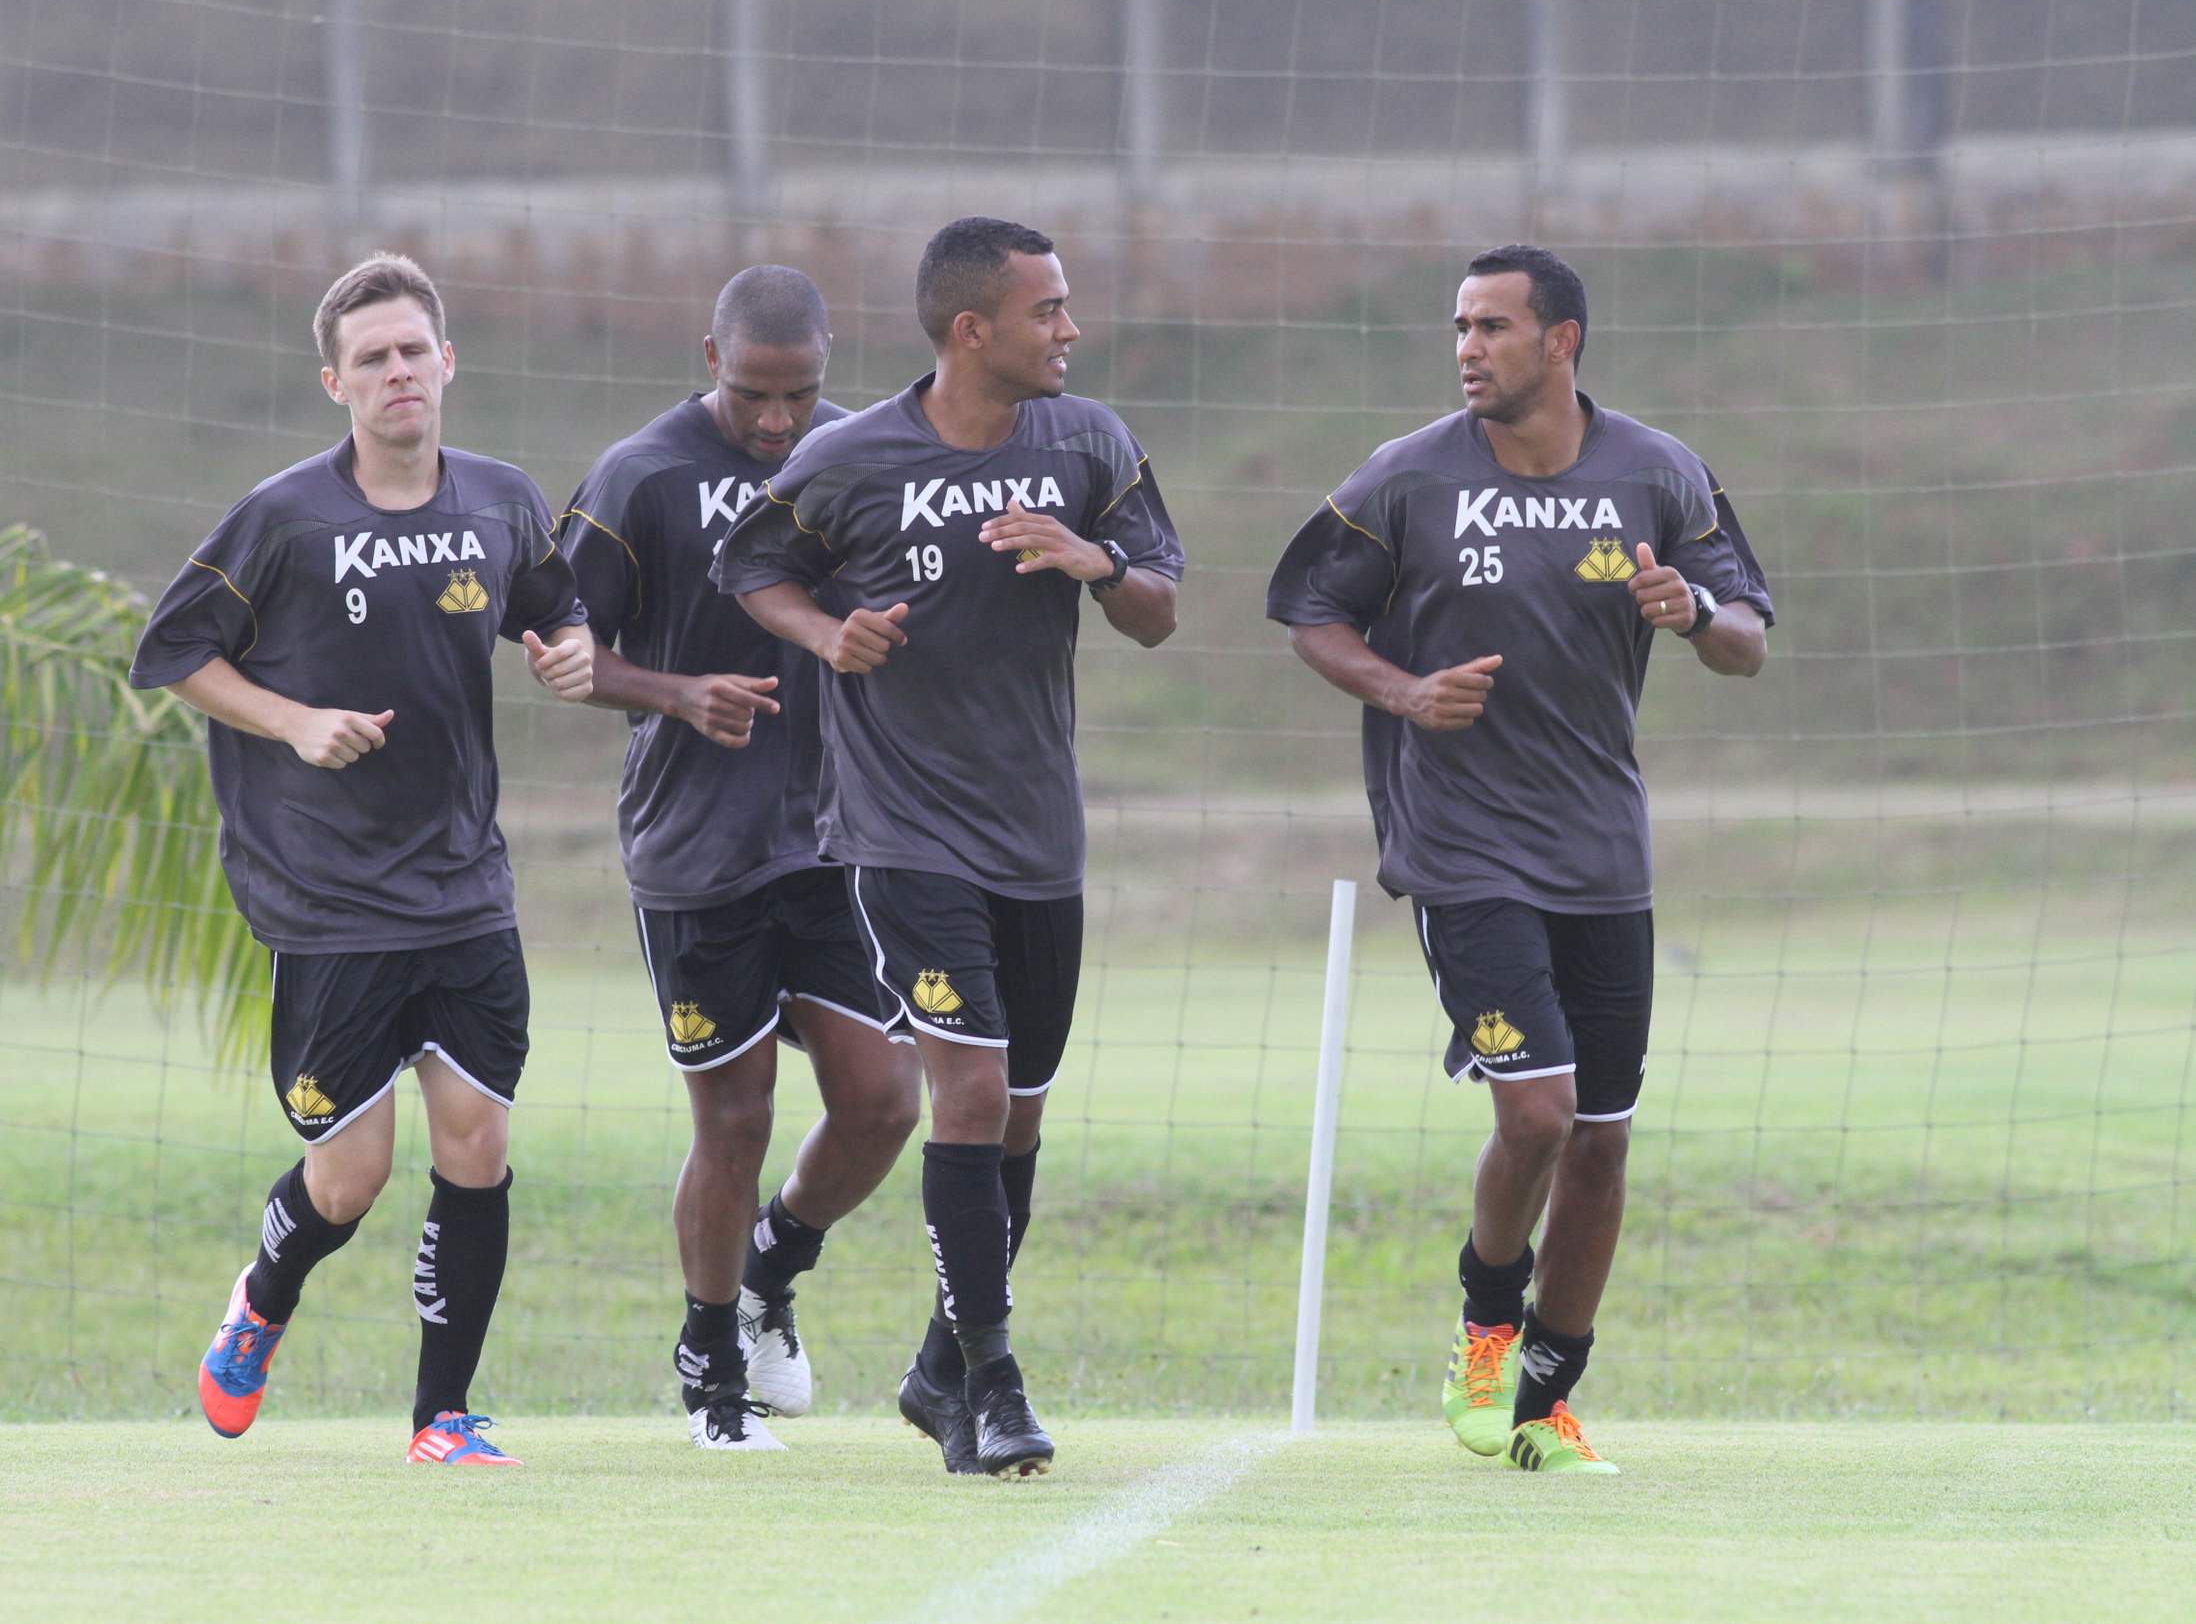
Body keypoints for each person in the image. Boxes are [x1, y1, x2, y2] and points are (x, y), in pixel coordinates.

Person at [1264, 244, 1770, 1475]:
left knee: (1601, 1135)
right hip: (1462, 845)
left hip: (1602, 852)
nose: (1467, 348)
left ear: (1562, 340)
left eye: (1491, 326)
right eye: (1459, 326)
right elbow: (1310, 613)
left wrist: (1694, 614)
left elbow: (1745, 635)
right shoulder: (1406, 475)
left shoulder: (1657, 471)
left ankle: (1546, 1399)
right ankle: (1487, 1327)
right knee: (1536, 1111)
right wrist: (1403, 689)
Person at [713, 218, 1184, 1479]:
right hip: (901, 832)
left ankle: (937, 1370)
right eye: (1048, 310)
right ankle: (996, 1383)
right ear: (972, 330)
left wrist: (1095, 560)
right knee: (967, 1094)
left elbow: (1158, 609)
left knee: (1015, 1119)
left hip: (1039, 836)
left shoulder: (1089, 442)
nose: (1070, 329)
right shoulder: (849, 456)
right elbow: (752, 568)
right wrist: (827, 634)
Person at [129, 251, 595, 1467]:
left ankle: (441, 1417)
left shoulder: (500, 499)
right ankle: (261, 1301)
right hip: (329, 896)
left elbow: (555, 604)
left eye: (413, 350)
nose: (398, 371)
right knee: (349, 1179)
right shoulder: (284, 517)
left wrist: (572, 648)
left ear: (448, 361)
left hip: (465, 884)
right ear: (335, 382)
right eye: (371, 357)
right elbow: (174, 650)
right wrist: (292, 720)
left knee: (477, 1147)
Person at [557, 265, 922, 1451]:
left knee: (884, 1099)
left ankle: (769, 1269)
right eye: (755, 392)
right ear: (709, 356)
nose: (777, 419)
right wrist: (676, 691)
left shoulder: (860, 454)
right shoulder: (641, 475)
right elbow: (559, 649)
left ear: (827, 363)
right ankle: (711, 1367)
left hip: (839, 836)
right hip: (697, 846)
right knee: (737, 1115)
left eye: (798, 393)